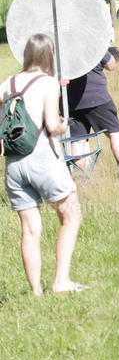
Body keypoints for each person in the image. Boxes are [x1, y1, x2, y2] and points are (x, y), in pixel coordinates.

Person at [2, 33, 85, 295]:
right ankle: (61, 281)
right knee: (71, 216)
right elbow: (51, 124)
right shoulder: (48, 83)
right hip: (43, 159)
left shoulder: (7, 83)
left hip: (14, 163)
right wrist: (63, 126)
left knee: (29, 229)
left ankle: (36, 292)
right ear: (49, 55)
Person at [66, 44, 119, 181]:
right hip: (98, 99)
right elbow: (111, 65)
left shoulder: (65, 48)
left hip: (73, 100)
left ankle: (80, 177)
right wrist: (106, 49)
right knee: (115, 133)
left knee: (78, 140)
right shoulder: (93, 44)